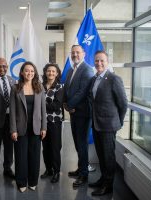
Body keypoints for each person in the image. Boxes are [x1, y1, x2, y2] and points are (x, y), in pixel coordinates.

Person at [88, 51, 127, 196]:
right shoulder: (94, 79)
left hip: (109, 125)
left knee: (108, 156)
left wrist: (119, 121)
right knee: (101, 155)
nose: (99, 63)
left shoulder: (114, 79)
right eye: (97, 61)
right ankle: (103, 179)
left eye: (102, 61)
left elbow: (123, 103)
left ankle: (108, 186)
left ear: (107, 62)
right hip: (97, 124)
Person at [9, 61, 47, 193]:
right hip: (20, 128)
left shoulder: (40, 87)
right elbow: (12, 111)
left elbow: (43, 110)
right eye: (26, 70)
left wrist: (44, 127)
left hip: (36, 128)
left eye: (32, 71)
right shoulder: (15, 88)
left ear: (35, 72)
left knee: (34, 156)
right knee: (20, 156)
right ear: (21, 72)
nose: (29, 73)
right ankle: (21, 182)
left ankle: (32, 181)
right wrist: (13, 129)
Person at [63, 45, 94, 187]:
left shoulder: (87, 69)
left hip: (82, 113)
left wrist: (69, 105)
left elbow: (82, 92)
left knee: (81, 144)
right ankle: (81, 168)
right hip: (73, 113)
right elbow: (67, 89)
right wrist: (65, 103)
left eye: (78, 52)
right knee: (77, 142)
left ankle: (83, 175)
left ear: (84, 54)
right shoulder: (71, 70)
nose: (75, 54)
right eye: (73, 52)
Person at [40, 63, 64, 183]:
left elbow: (56, 105)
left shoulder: (59, 87)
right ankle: (48, 169)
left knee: (55, 147)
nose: (51, 73)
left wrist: (42, 105)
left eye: (53, 71)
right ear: (45, 72)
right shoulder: (40, 86)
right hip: (42, 122)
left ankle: (56, 172)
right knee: (45, 147)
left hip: (55, 122)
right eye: (49, 71)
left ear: (57, 73)